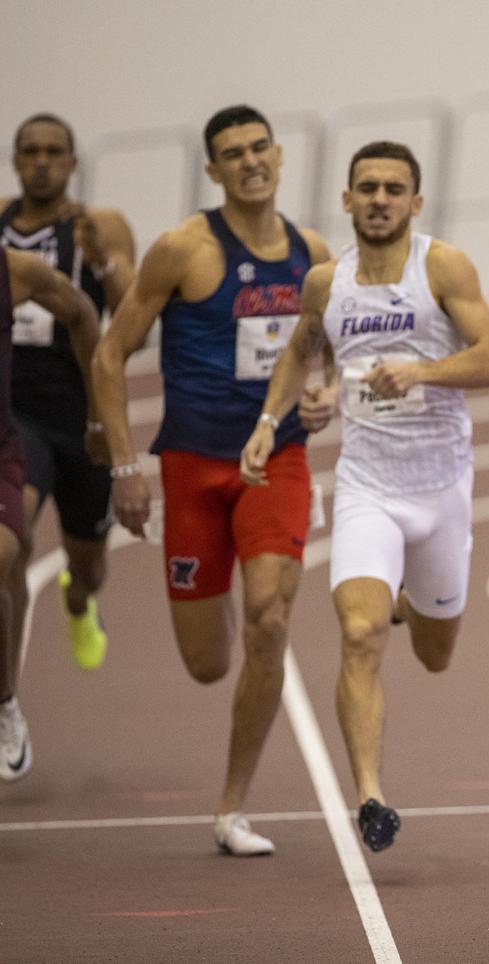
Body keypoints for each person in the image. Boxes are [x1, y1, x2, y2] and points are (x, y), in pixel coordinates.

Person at [241, 141, 489, 854]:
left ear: (415, 203)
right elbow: (304, 352)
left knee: (435, 652)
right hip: (367, 485)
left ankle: (407, 596)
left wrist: (420, 373)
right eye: (368, 188)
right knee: (358, 635)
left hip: (441, 486)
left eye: (395, 188)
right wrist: (280, 418)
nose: (380, 199)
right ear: (347, 200)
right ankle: (370, 796)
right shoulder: (326, 283)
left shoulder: (442, 266)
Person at [91, 105, 330, 855]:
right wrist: (126, 468)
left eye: (260, 147)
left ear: (280, 156)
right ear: (213, 168)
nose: (250, 161)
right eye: (233, 153)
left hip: (275, 459)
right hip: (191, 468)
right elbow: (108, 356)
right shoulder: (181, 249)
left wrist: (321, 391)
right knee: (207, 664)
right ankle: (225, 588)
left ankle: (232, 808)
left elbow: (317, 353)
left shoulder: (313, 254)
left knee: (269, 619)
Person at [0, 114, 136, 670]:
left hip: (84, 414)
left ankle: (77, 602)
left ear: (73, 163)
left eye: (54, 151)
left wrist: (101, 258)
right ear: (15, 161)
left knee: (89, 567)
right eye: (30, 151)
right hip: (14, 413)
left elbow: (136, 324)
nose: (41, 161)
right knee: (15, 537)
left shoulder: (100, 224)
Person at [0, 248, 101, 780]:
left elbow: (84, 312)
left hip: (18, 439)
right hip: (26, 433)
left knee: (75, 566)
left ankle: (4, 703)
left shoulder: (15, 269)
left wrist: (102, 408)